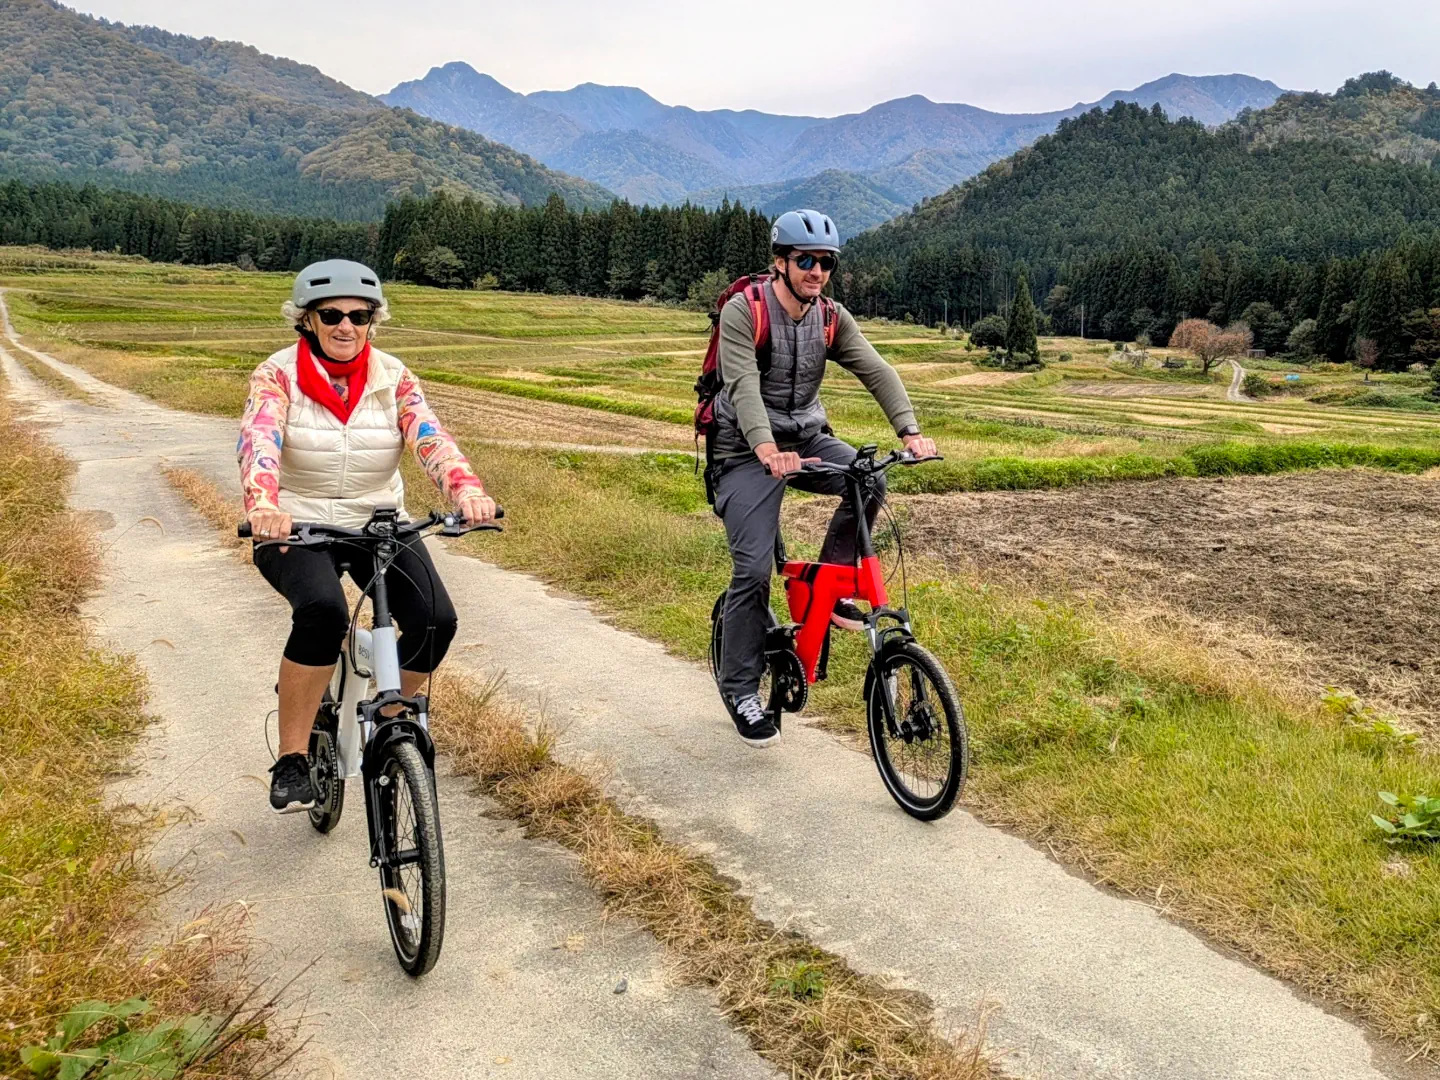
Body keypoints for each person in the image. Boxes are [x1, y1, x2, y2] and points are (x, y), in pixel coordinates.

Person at [237, 259, 496, 813]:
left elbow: (430, 437)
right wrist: (264, 503)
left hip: (378, 520)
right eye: (330, 315)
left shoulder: (394, 376)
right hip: (299, 523)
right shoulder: (275, 375)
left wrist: (465, 489)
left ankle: (390, 716)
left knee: (436, 621)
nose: (345, 326)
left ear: (374, 321)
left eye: (360, 315)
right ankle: (292, 757)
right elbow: (259, 438)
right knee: (323, 613)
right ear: (306, 320)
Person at [711, 210, 936, 747]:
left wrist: (909, 431)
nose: (816, 271)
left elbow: (876, 369)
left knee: (868, 478)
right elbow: (741, 384)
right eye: (806, 260)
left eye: (826, 262)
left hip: (806, 439)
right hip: (742, 449)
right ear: (781, 262)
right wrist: (765, 447)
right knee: (751, 569)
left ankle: (827, 590)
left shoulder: (831, 317)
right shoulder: (746, 311)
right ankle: (741, 688)